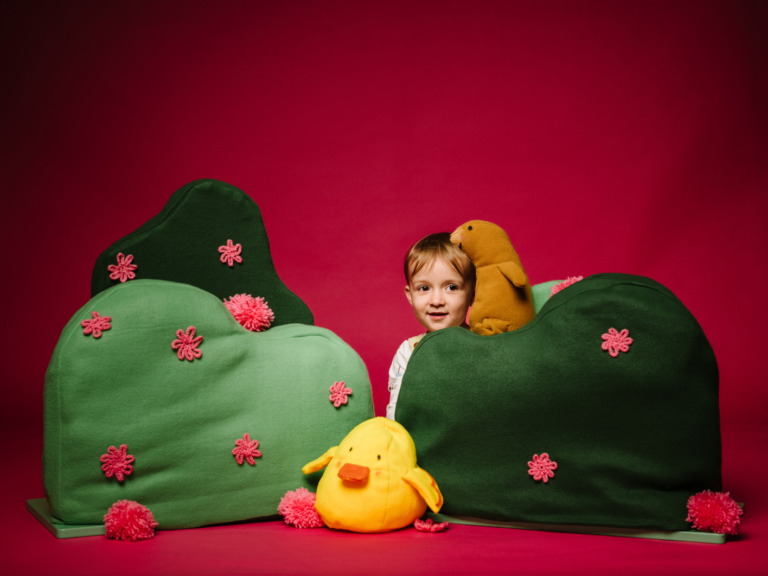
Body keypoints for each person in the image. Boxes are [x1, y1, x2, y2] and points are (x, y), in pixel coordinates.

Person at [386, 232, 476, 420]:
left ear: (473, 293)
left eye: (451, 287)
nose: (436, 301)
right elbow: (396, 409)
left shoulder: (485, 343)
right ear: (410, 295)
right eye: (424, 288)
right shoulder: (408, 352)